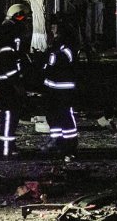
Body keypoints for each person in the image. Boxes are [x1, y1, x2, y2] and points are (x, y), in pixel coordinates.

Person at [0, 2, 32, 158]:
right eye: (24, 16)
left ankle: (9, 145)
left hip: (9, 79)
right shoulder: (8, 31)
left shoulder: (9, 29)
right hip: (8, 81)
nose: (26, 20)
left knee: (12, 114)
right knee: (9, 113)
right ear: (17, 16)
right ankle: (6, 148)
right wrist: (16, 82)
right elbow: (7, 59)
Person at [41, 17, 79, 157]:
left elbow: (65, 57)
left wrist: (50, 57)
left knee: (65, 115)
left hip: (64, 87)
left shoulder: (68, 42)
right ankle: (56, 140)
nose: (52, 28)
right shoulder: (57, 42)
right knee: (52, 115)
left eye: (54, 26)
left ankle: (69, 144)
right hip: (53, 86)